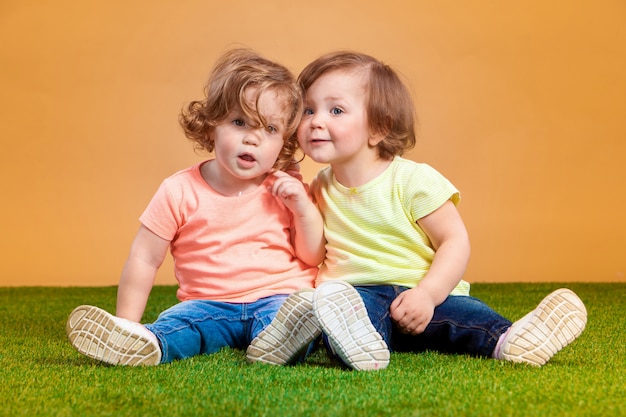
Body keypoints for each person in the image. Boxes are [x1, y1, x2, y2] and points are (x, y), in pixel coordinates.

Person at [247, 50, 587, 371]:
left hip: (420, 290)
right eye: (308, 111)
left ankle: (512, 340)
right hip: (354, 294)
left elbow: (454, 241)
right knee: (345, 315)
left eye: (335, 111)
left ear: (379, 128)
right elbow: (312, 254)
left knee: (465, 315)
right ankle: (356, 345)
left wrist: (427, 294)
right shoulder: (320, 186)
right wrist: (300, 208)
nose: (315, 122)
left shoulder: (412, 179)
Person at [66, 48, 326, 366]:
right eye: (240, 122)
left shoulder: (285, 188)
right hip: (208, 304)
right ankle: (140, 342)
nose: (253, 139)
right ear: (210, 126)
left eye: (269, 129)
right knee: (180, 324)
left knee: (296, 317)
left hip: (278, 295)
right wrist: (127, 322)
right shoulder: (179, 190)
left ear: (284, 143)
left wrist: (302, 208)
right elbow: (145, 258)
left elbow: (312, 255)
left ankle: (278, 343)